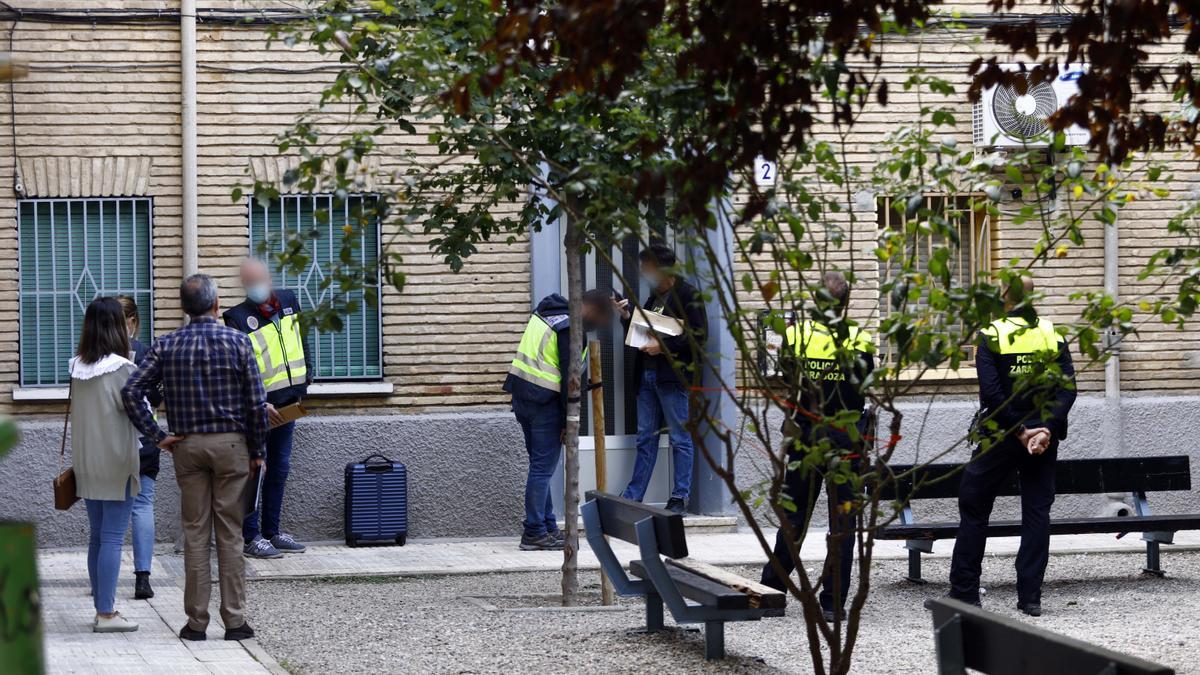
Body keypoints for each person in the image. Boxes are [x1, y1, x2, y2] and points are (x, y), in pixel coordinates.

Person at [122, 274, 268, 642]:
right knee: (230, 535)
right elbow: (254, 402)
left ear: (184, 308)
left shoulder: (167, 344)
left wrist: (158, 436)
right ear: (217, 304)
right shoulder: (238, 342)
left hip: (186, 446)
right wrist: (258, 451)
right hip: (232, 445)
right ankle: (235, 622)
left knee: (196, 533)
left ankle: (196, 623)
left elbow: (131, 389)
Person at [940, 278, 1077, 617]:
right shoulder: (1051, 333)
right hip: (1042, 442)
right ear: (1033, 296)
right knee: (1036, 514)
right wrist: (1044, 429)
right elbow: (1068, 390)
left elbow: (991, 394)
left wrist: (1021, 431)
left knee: (973, 506)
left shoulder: (992, 334)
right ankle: (1030, 597)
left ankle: (965, 592)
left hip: (1001, 437)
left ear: (1004, 298)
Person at [759, 271, 875, 623]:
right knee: (843, 521)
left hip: (806, 435)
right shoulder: (860, 338)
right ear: (846, 302)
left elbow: (786, 381)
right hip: (846, 436)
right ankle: (833, 602)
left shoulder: (796, 335)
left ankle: (772, 590)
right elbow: (864, 388)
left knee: (793, 517)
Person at [503, 290, 615, 551]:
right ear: (588, 308)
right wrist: (570, 420)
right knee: (542, 470)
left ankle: (547, 527)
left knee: (539, 468)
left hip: (523, 398)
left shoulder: (547, 312)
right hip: (546, 405)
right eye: (600, 317)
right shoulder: (570, 330)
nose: (599, 324)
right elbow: (569, 381)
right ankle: (534, 532)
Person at [222, 258, 311, 559]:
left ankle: (272, 532)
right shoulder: (236, 318)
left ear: (269, 278)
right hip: (258, 410)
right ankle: (251, 536)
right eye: (250, 281)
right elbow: (237, 371)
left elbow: (302, 342)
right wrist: (258, 402)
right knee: (256, 471)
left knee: (280, 470)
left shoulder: (289, 301)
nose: (256, 285)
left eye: (260, 279)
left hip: (289, 406)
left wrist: (306, 382)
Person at [617, 243, 707, 514]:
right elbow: (646, 331)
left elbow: (700, 337)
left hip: (672, 378)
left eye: (648, 268)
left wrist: (664, 347)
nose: (645, 273)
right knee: (645, 438)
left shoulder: (688, 294)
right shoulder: (655, 297)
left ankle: (679, 497)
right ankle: (634, 495)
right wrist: (626, 318)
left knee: (680, 438)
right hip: (647, 376)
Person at [72, 297, 142, 633]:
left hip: (87, 463)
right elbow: (139, 414)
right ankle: (107, 613)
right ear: (118, 326)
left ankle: (102, 606)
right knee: (113, 538)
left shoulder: (77, 367)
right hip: (117, 461)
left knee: (98, 537)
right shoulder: (124, 368)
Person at [116, 295, 162, 601]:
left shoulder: (91, 356)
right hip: (144, 441)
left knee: (109, 511)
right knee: (142, 505)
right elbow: (157, 399)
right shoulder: (147, 353)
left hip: (106, 445)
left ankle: (102, 576)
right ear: (134, 321)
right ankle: (142, 579)